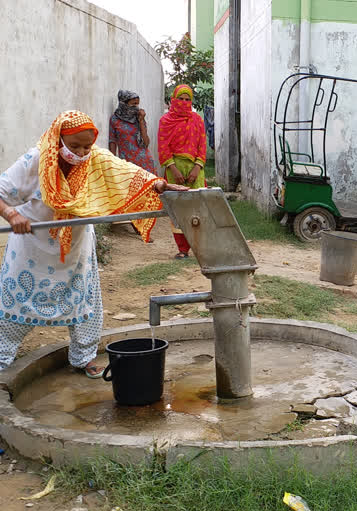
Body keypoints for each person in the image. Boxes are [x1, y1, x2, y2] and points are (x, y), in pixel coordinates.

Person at [0, 111, 187, 375]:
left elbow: (125, 172)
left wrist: (158, 185)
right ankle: (1, 359)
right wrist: (11, 214)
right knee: (14, 307)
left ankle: (83, 357)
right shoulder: (37, 159)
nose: (80, 152)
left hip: (75, 248)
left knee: (85, 304)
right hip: (32, 245)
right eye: (73, 145)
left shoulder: (95, 159)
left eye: (86, 146)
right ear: (58, 138)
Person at [158, 84, 207, 259]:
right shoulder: (165, 121)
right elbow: (163, 146)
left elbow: (202, 145)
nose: (184, 102)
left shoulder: (197, 120)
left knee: (197, 207)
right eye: (181, 99)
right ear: (174, 99)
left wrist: (197, 167)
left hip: (196, 168)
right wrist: (173, 169)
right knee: (178, 209)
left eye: (188, 100)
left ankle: (200, 248)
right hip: (174, 168)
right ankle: (183, 249)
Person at [108, 90, 157, 174]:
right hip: (127, 165)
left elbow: (146, 143)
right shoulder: (114, 119)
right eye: (133, 104)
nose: (136, 107)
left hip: (145, 164)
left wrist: (141, 121)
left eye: (137, 104)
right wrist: (112, 163)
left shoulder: (138, 118)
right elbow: (112, 141)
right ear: (124, 104)